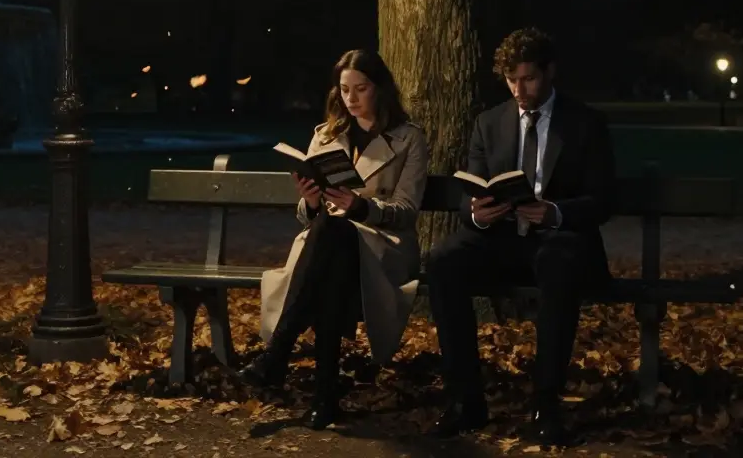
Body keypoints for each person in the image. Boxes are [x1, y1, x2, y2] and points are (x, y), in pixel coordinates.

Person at [427, 28, 615, 445]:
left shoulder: (584, 123)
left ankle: (546, 403)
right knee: (442, 262)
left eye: (528, 78)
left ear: (550, 72)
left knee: (557, 262)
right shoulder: (489, 123)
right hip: (501, 236)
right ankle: (466, 401)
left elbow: (603, 200)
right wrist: (476, 213)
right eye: (511, 79)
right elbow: (469, 190)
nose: (519, 89)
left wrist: (555, 211)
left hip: (559, 238)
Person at [241, 49, 429, 429]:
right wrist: (310, 202)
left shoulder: (409, 139)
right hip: (330, 247)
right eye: (344, 90)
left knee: (337, 236)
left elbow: (407, 210)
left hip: (382, 247)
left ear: (380, 89)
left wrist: (361, 207)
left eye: (361, 89)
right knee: (333, 245)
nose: (352, 99)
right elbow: (306, 216)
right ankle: (322, 398)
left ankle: (279, 353)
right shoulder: (326, 135)